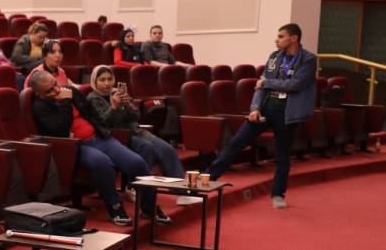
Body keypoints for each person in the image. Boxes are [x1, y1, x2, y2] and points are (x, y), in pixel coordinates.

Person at [206, 23, 317, 209]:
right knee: (236, 143)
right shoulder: (275, 56)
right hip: (265, 109)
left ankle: (278, 194)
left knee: (282, 156)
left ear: (294, 38)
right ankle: (209, 178)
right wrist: (254, 108)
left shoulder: (308, 59)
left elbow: (295, 85)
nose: (276, 40)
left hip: (287, 114)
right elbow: (260, 86)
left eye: (281, 36)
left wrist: (267, 83)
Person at [28, 70, 157, 227]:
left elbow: (92, 113)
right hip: (76, 147)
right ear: (40, 94)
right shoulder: (40, 106)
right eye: (50, 90)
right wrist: (65, 102)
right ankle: (115, 206)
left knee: (136, 162)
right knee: (102, 162)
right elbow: (60, 130)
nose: (57, 90)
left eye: (56, 84)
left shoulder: (71, 91)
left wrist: (104, 130)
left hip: (99, 138)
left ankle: (149, 207)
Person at [87, 66, 195, 213]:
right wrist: (114, 106)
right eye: (102, 80)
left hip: (136, 131)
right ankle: (135, 186)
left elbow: (136, 116)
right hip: (116, 136)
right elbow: (103, 123)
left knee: (167, 149)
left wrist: (127, 105)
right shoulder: (92, 99)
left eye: (109, 79)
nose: (107, 83)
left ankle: (182, 192)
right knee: (146, 148)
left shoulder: (117, 93)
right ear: (95, 81)